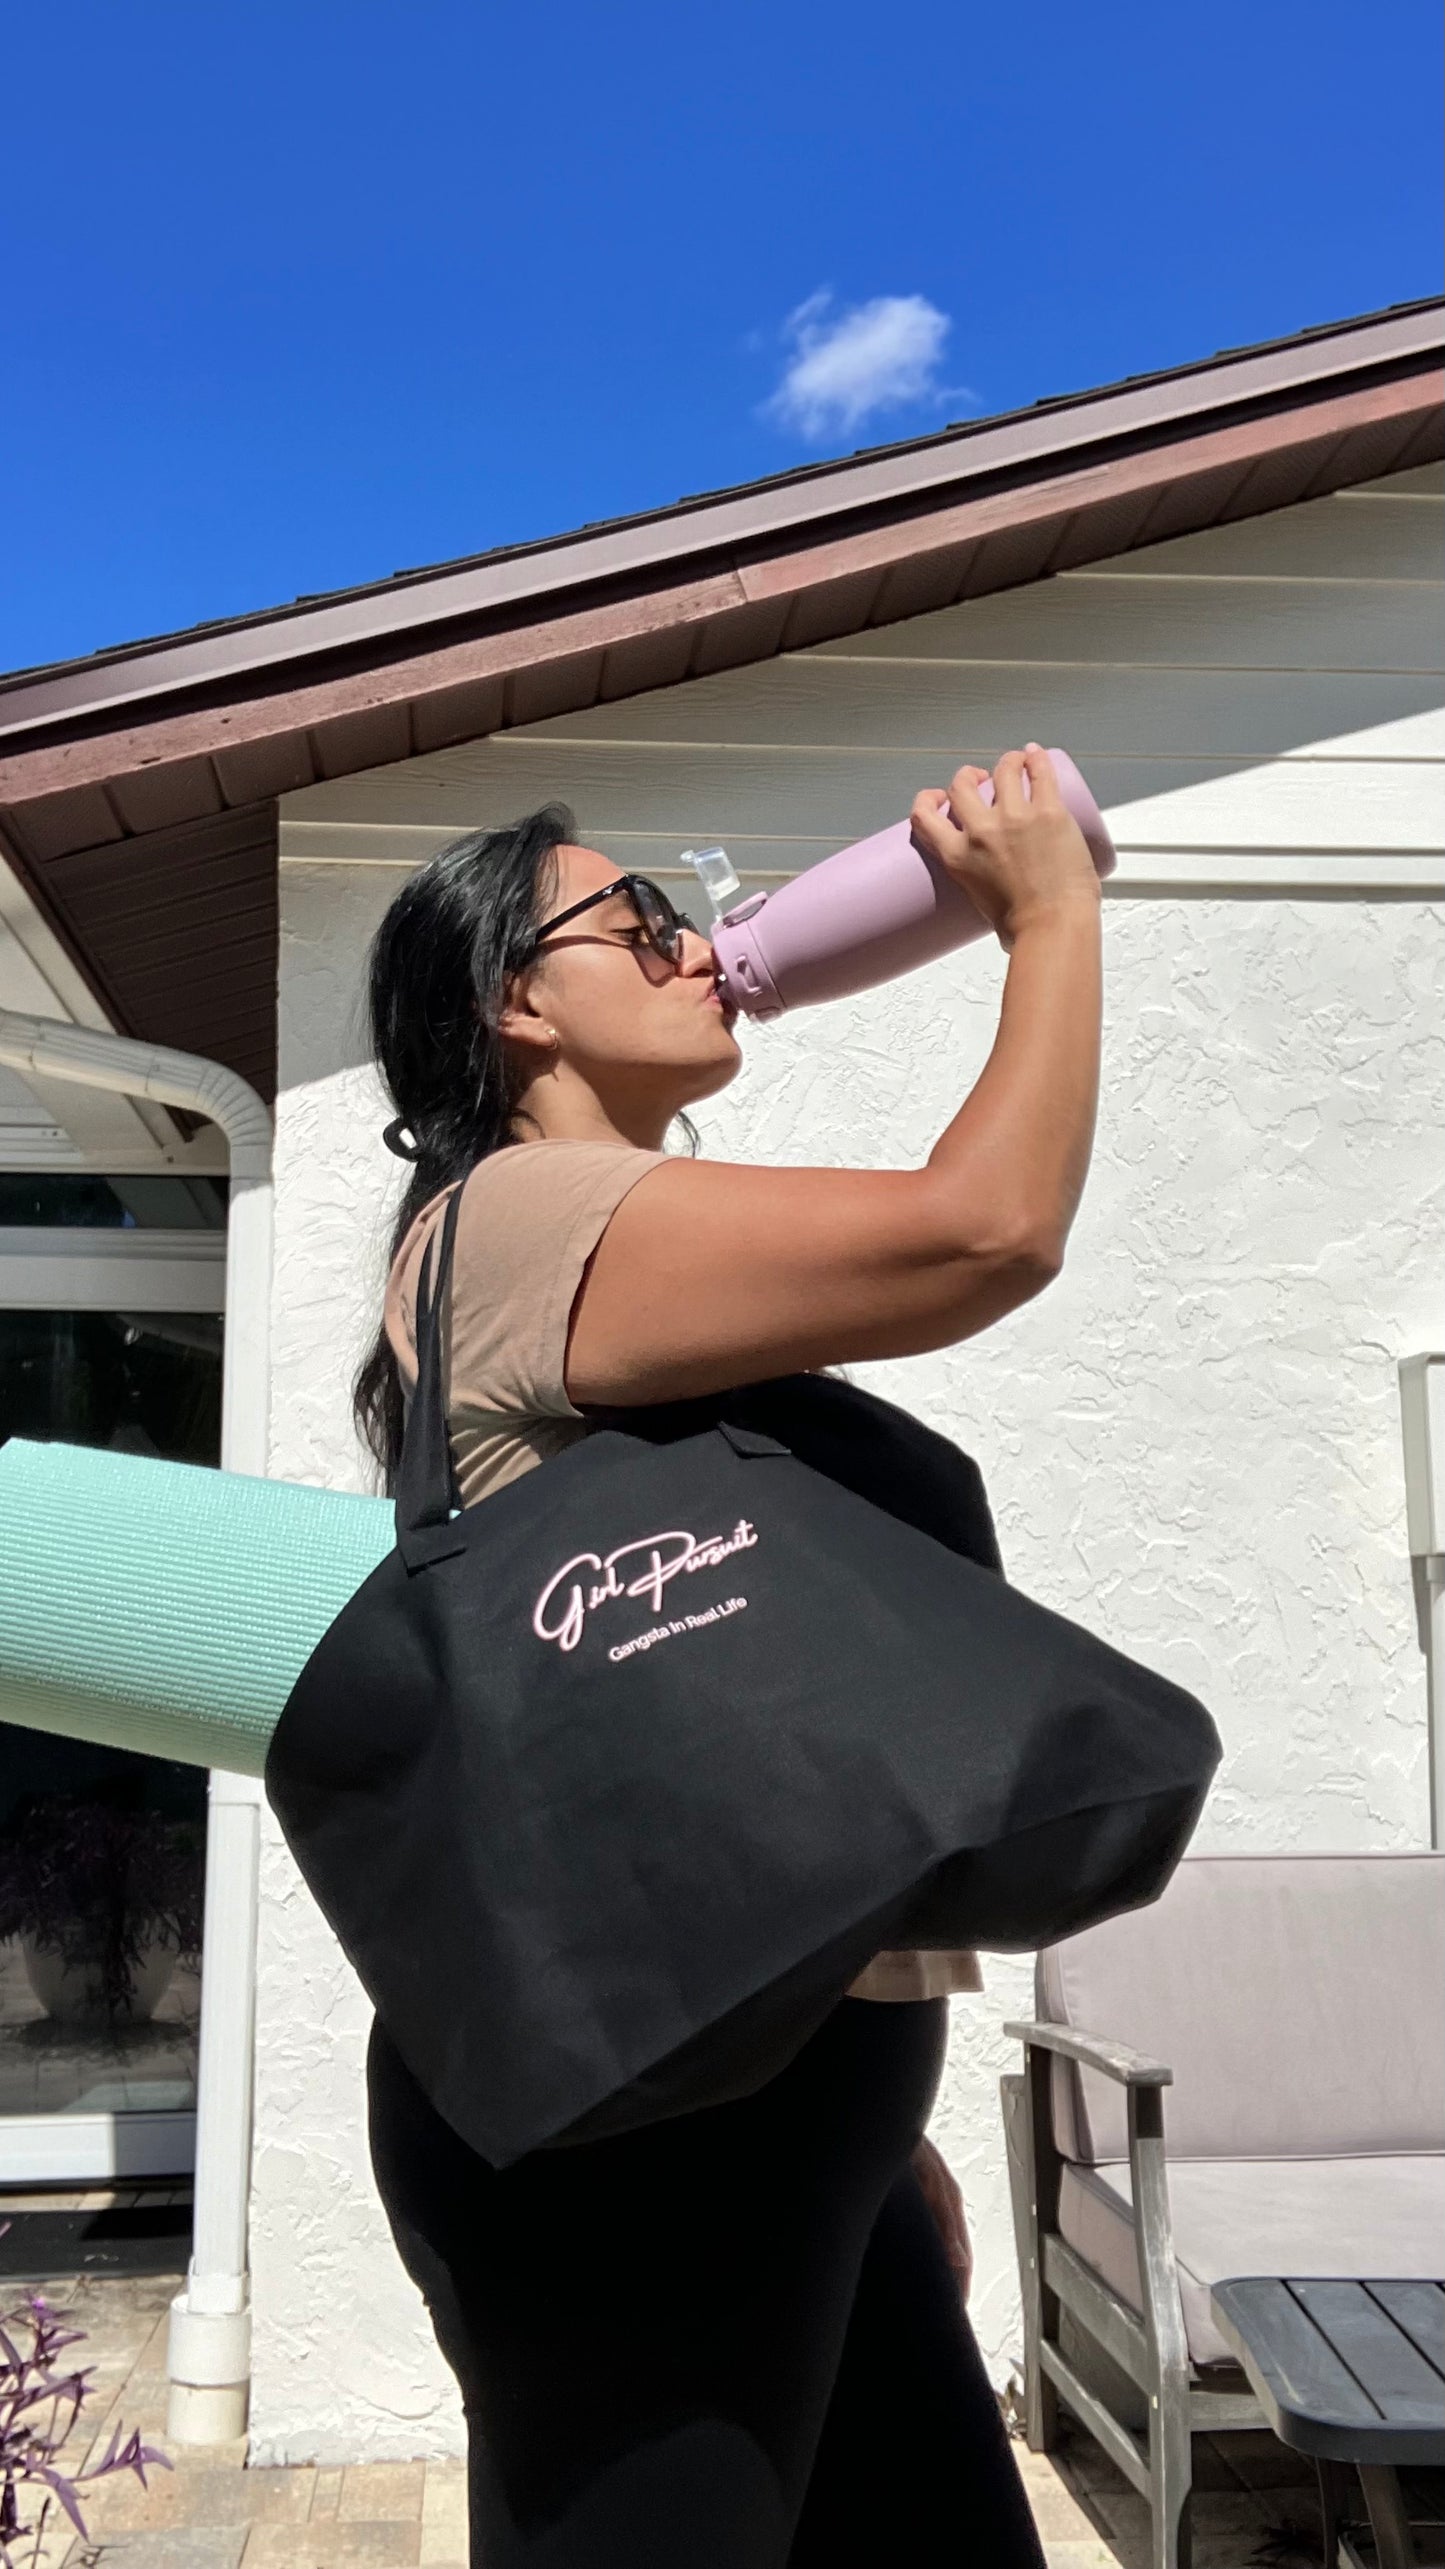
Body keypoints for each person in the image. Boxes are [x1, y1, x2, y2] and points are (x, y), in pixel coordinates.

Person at [353, 746, 1102, 2566]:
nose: (698, 947)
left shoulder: (615, 1257)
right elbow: (985, 1227)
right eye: (639, 919)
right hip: (651, 2133)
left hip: (775, 2109)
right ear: (514, 1004)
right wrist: (1048, 913)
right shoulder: (519, 1217)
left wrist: (868, 2137)